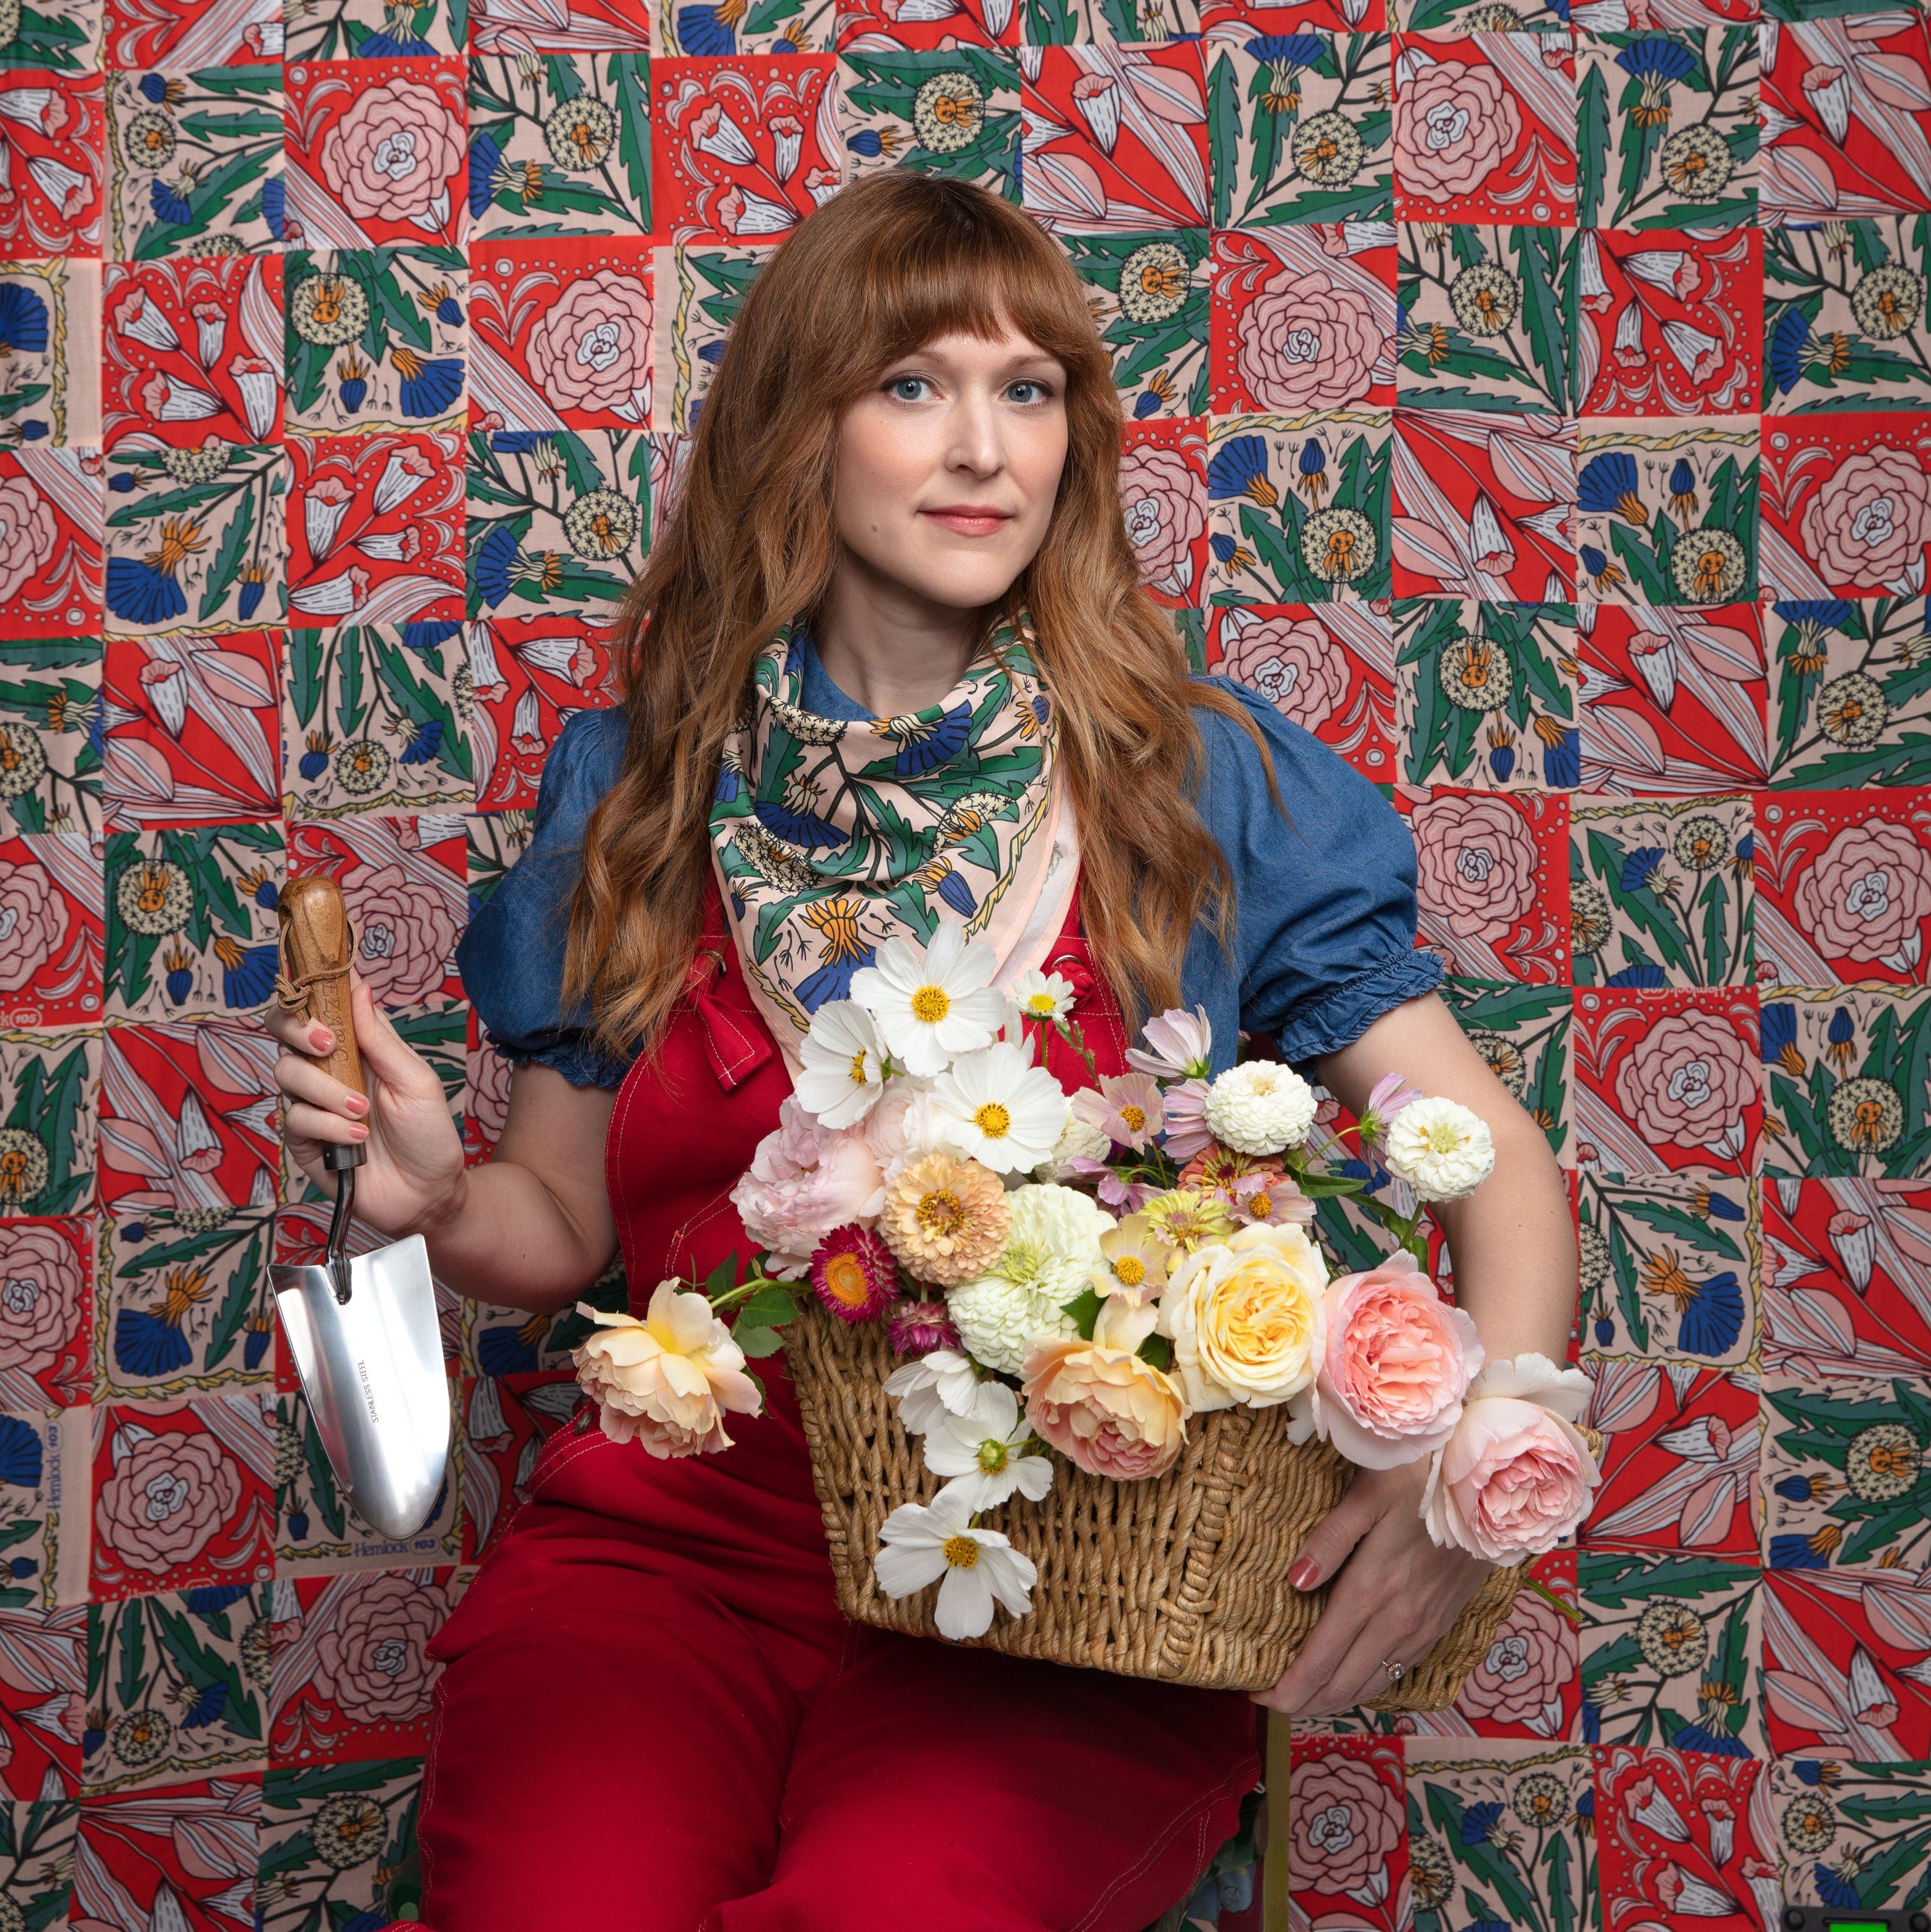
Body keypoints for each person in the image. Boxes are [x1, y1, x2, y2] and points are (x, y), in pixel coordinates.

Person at [269, 172, 1578, 1931]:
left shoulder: (1192, 783)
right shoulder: (641, 790)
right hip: (668, 1565)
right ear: (796, 428)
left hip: (1062, 1587)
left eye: (1026, 389)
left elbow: (1492, 1168)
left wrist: (1459, 1470)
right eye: (911, 385)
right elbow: (562, 1236)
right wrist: (434, 1199)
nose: (981, 446)